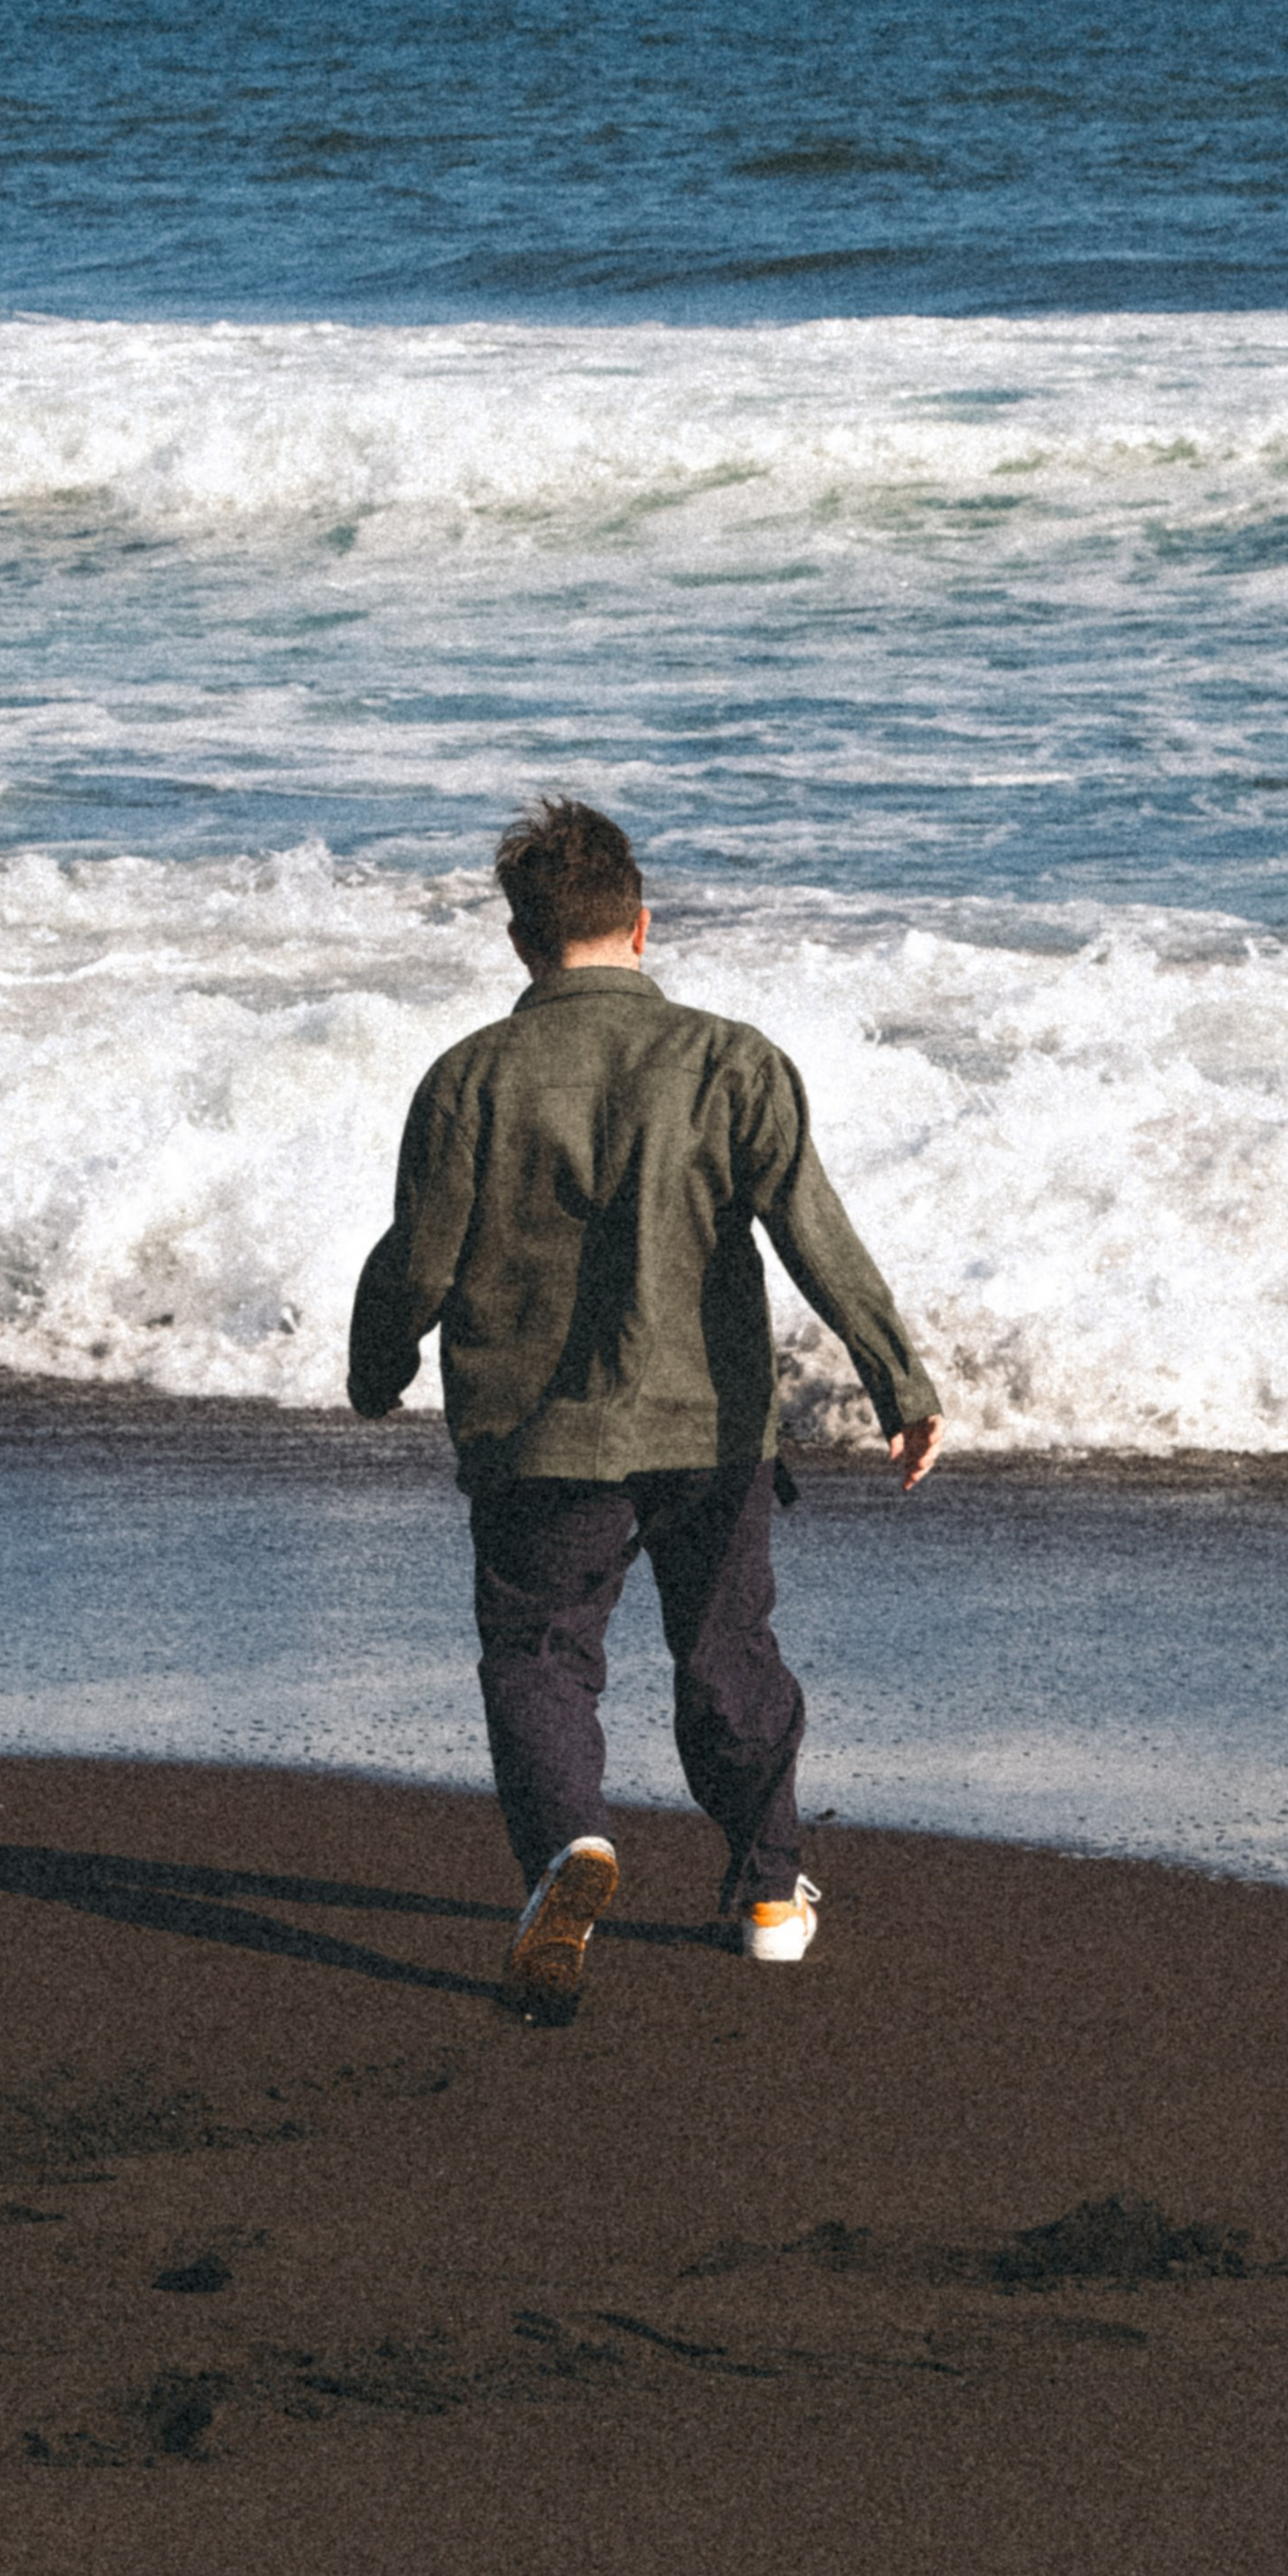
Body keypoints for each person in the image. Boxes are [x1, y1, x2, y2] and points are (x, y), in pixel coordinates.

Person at [347, 798, 943, 2014]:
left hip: (537, 1436)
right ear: (643, 925)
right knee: (727, 1652)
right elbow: (814, 1234)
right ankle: (772, 1891)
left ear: (521, 943)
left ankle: (571, 1847)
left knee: (539, 1655)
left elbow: (420, 1254)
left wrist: (378, 1364)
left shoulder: (470, 1076)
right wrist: (899, 1381)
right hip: (705, 1427)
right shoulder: (734, 1061)